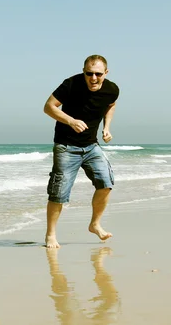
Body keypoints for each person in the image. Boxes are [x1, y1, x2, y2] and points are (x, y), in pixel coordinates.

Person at [43, 54, 119, 248]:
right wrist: (70, 121)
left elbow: (111, 105)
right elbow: (48, 107)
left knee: (106, 182)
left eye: (98, 74)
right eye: (89, 73)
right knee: (59, 193)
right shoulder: (71, 84)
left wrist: (107, 127)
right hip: (66, 146)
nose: (93, 78)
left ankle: (95, 224)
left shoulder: (112, 89)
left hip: (92, 145)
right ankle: (51, 235)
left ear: (106, 73)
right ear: (83, 71)